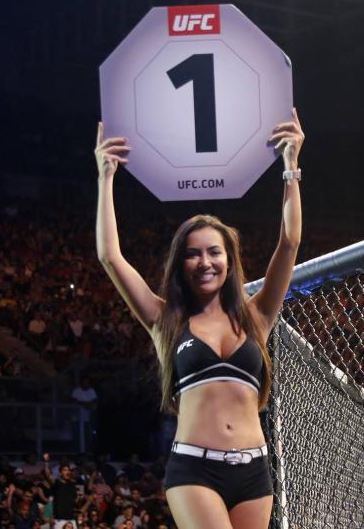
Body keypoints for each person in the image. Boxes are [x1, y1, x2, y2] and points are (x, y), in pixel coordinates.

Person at [94, 107, 304, 528]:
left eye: (214, 252)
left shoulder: (257, 315)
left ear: (229, 260)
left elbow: (290, 241)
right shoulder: (164, 319)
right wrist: (105, 177)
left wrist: (291, 167)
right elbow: (110, 256)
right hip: (195, 469)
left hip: (254, 471)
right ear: (180, 263)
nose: (204, 262)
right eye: (192, 253)